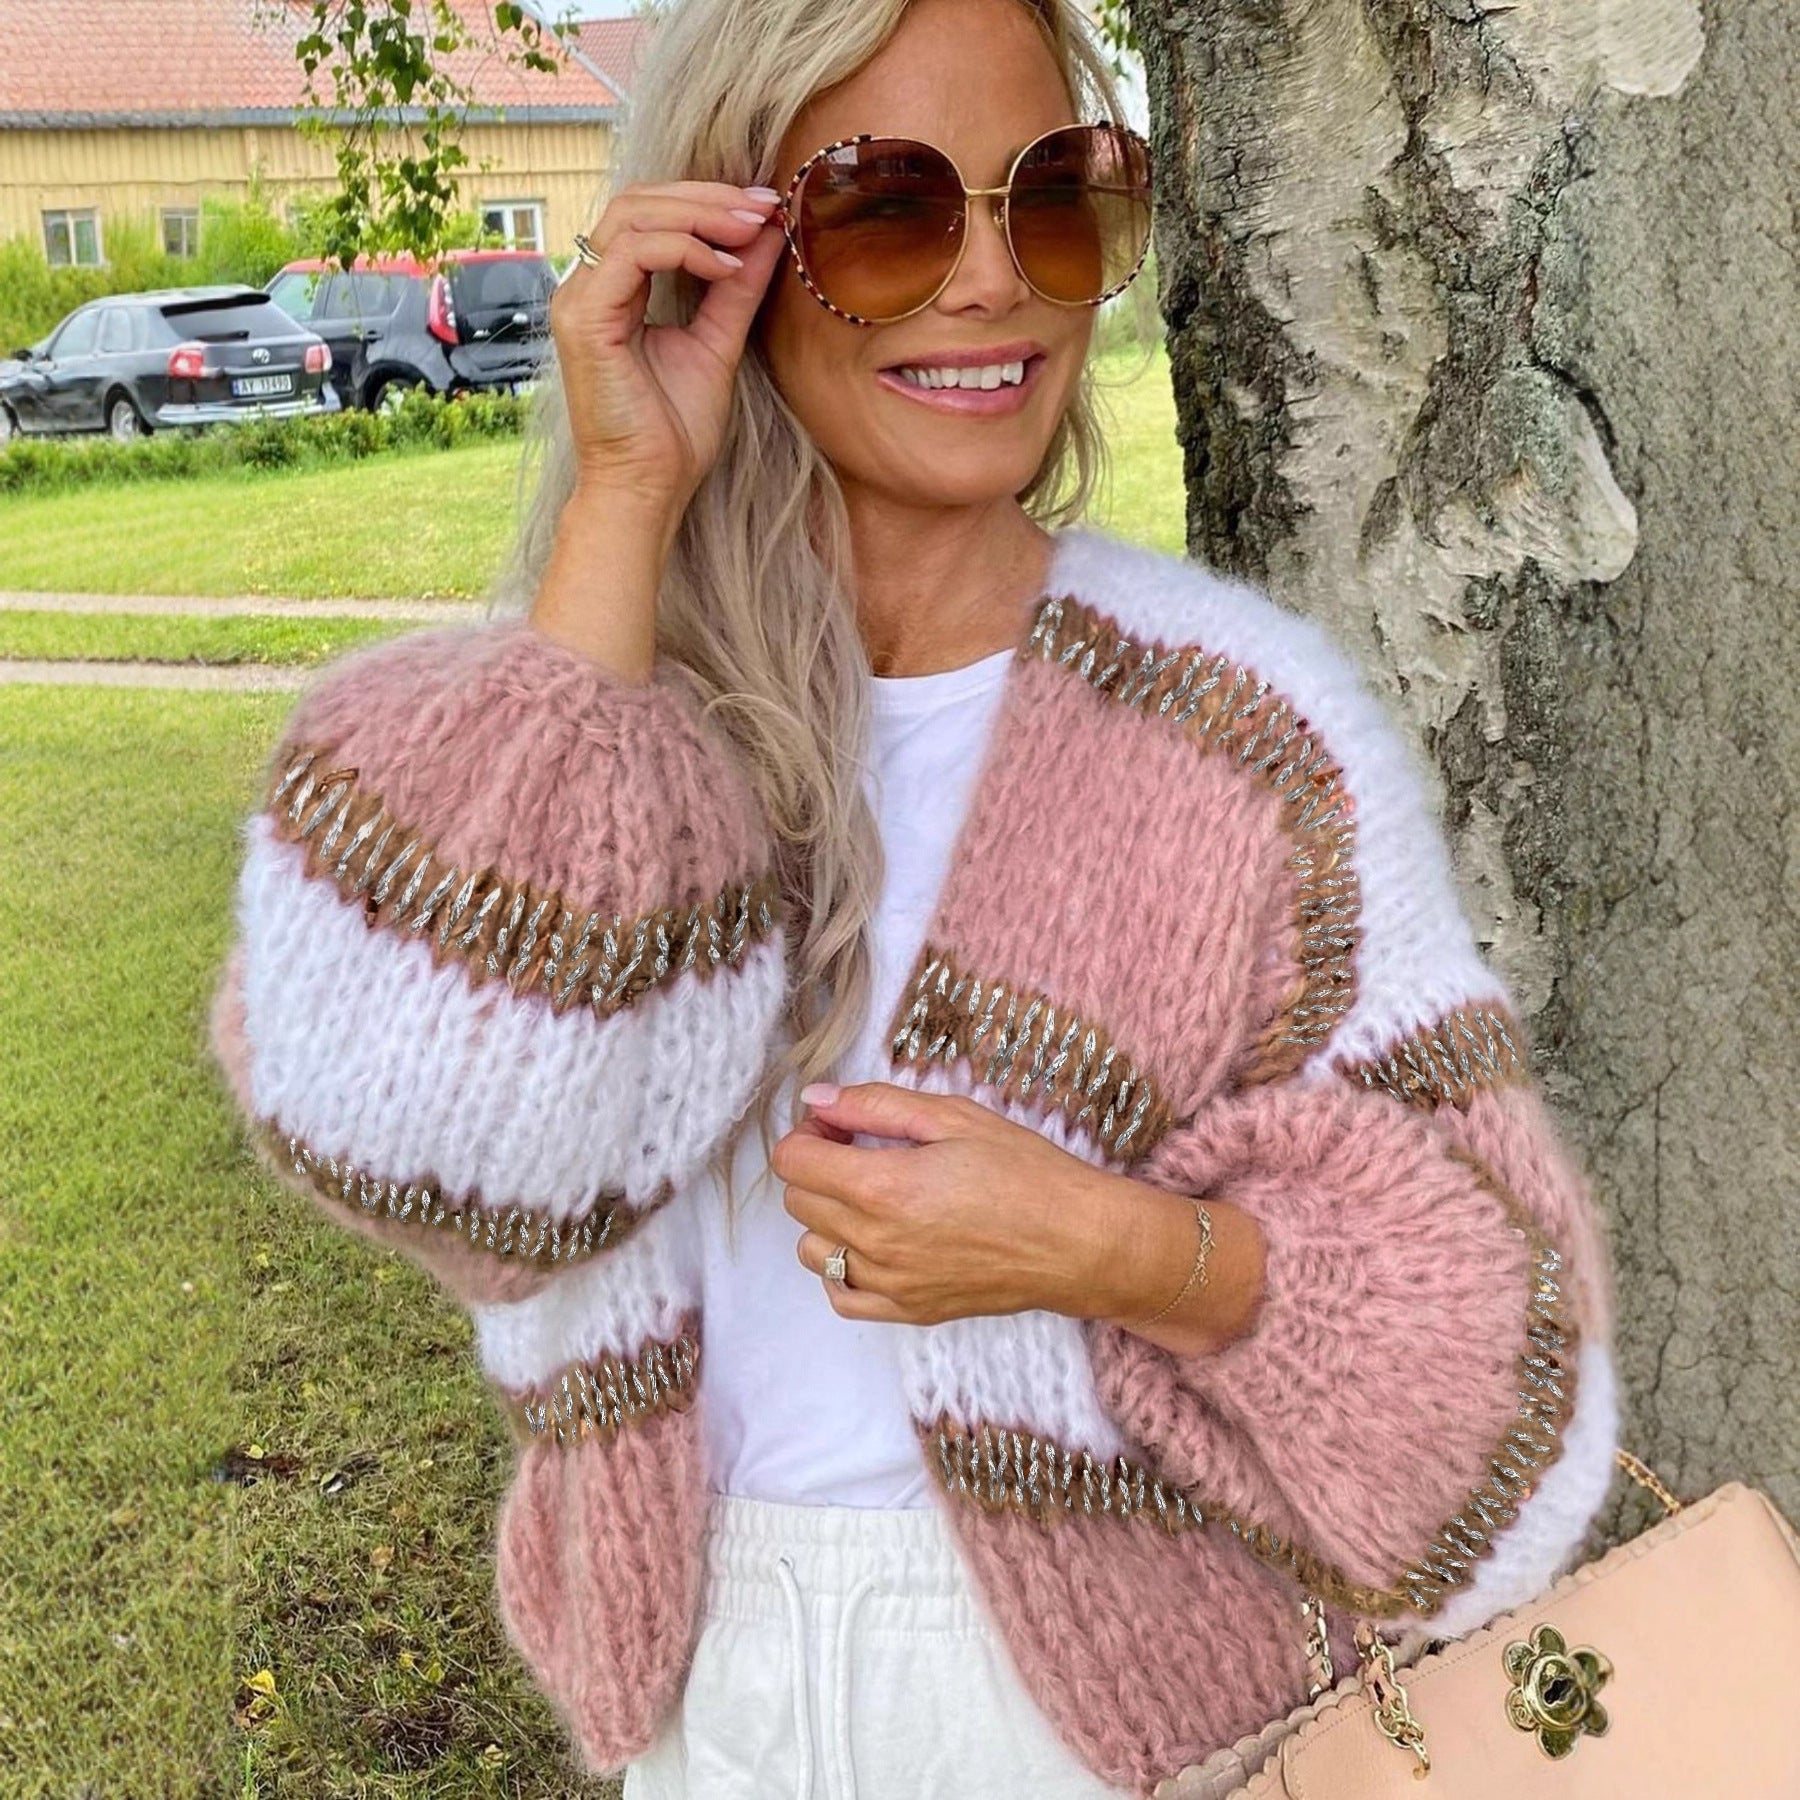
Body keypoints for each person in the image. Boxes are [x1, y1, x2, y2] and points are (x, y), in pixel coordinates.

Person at [206, 0, 1624, 1793]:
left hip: (1138, 1720)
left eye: (1054, 201)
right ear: (732, 248)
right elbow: (417, 1137)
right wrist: (625, 506)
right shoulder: (571, 737)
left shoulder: (1245, 737)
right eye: (886, 208)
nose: (990, 286)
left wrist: (1111, 1250)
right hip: (705, 1692)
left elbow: (1506, 1382)